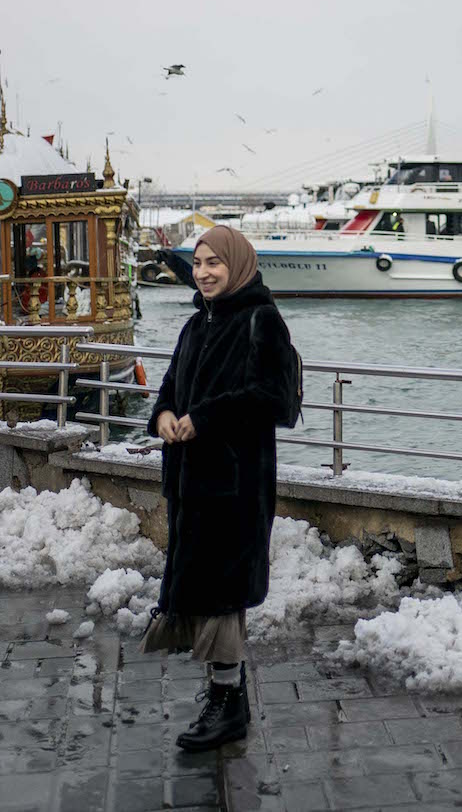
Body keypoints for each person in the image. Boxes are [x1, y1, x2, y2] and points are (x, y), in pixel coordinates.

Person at [143, 225, 294, 752]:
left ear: (238, 266)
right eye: (199, 263)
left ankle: (228, 705)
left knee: (222, 595)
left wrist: (205, 418)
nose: (204, 272)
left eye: (215, 264)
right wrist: (162, 414)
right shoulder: (195, 325)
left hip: (235, 485)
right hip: (191, 481)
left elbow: (279, 401)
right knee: (204, 589)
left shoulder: (261, 320)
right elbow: (169, 385)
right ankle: (226, 695)